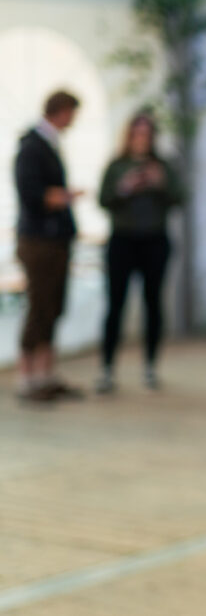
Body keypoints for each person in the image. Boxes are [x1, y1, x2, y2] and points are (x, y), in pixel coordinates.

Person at [95, 112, 184, 393]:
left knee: (153, 303)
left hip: (154, 240)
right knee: (115, 304)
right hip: (122, 240)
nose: (142, 138)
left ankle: (150, 367)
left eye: (147, 133)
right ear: (129, 135)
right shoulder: (116, 165)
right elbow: (103, 199)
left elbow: (180, 197)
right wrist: (124, 188)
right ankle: (107, 368)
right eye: (137, 133)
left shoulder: (162, 166)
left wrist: (160, 183)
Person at [13, 90, 83, 403]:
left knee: (53, 306)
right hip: (38, 240)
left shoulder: (49, 144)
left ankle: (45, 374)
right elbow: (31, 194)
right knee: (39, 306)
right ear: (62, 110)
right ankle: (27, 378)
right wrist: (61, 197)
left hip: (55, 239)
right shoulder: (32, 147)